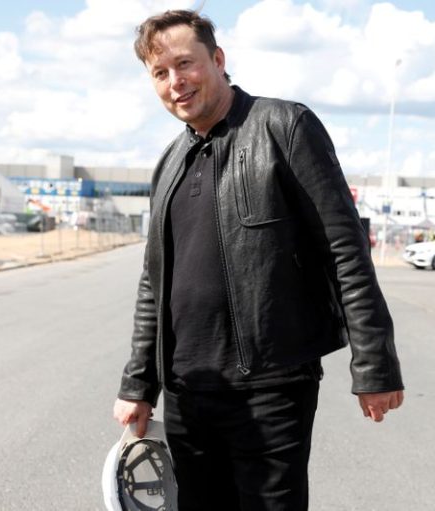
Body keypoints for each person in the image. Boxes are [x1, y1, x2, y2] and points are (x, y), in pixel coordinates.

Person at [113, 9, 403, 510]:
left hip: (270, 384)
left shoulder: (284, 127)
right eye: (160, 73)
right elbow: (152, 284)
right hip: (187, 390)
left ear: (218, 59)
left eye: (185, 63)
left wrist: (374, 363)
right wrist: (139, 383)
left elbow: (344, 249)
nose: (175, 81)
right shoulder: (169, 162)